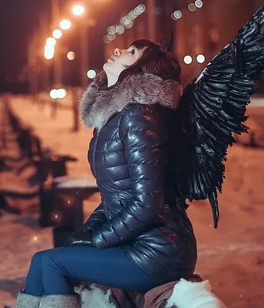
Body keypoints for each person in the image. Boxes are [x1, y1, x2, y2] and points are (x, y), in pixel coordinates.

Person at [16, 39, 198, 308]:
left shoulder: (139, 116)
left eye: (132, 52)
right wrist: (88, 230)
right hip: (136, 242)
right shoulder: (116, 118)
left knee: (51, 262)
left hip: (158, 251)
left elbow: (148, 202)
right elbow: (115, 196)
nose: (118, 51)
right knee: (45, 261)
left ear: (142, 69)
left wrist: (98, 238)